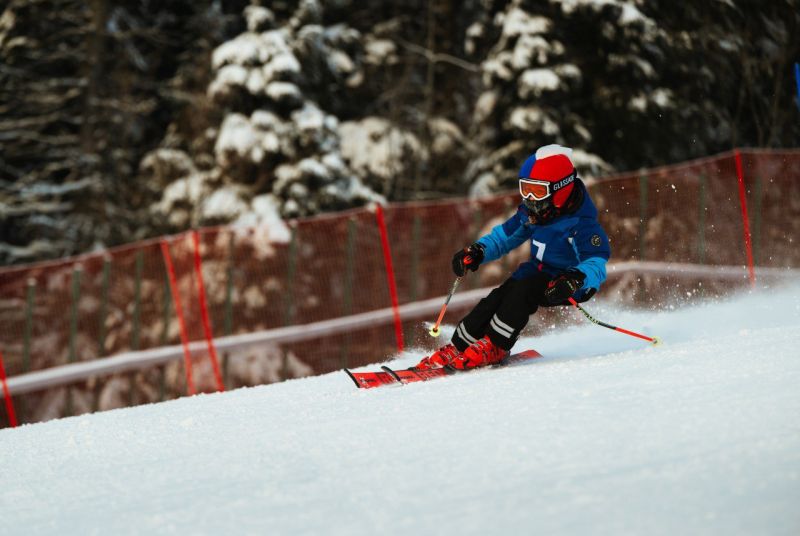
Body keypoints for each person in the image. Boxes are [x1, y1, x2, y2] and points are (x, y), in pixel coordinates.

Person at [415, 144, 611, 370]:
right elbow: (503, 238)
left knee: (523, 291)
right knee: (499, 296)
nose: (530, 198)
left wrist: (576, 279)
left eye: (538, 191)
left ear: (560, 189)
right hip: (538, 273)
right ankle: (460, 345)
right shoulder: (536, 212)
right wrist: (478, 251)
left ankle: (496, 345)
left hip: (567, 284)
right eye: (525, 189)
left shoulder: (581, 224)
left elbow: (597, 262)